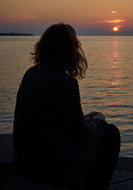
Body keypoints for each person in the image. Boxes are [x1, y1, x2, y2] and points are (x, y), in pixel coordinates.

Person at [13, 23, 120, 190]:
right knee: (111, 133)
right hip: (50, 166)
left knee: (93, 124)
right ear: (70, 50)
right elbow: (81, 136)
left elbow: (55, 121)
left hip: (25, 162)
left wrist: (86, 118)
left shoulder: (31, 74)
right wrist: (98, 122)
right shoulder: (66, 83)